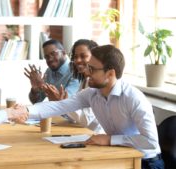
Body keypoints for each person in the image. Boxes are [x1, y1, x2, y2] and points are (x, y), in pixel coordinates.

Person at [19, 45, 164, 169]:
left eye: (92, 69)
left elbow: (151, 142)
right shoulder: (92, 93)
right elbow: (58, 106)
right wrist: (23, 111)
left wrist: (110, 140)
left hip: (147, 162)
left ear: (110, 73)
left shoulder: (133, 98)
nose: (87, 73)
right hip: (117, 154)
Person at [42, 39, 103, 133]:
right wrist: (61, 103)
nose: (78, 60)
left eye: (83, 56)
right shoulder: (85, 81)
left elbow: (87, 120)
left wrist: (62, 102)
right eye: (75, 57)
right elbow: (74, 118)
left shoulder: (97, 84)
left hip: (98, 134)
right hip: (86, 133)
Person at [24, 39, 79, 122]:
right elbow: (36, 101)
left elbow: (66, 102)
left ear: (64, 53)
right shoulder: (49, 72)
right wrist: (35, 90)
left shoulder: (76, 71)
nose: (49, 59)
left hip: (74, 122)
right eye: (46, 56)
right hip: (58, 120)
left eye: (53, 54)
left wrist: (43, 85)